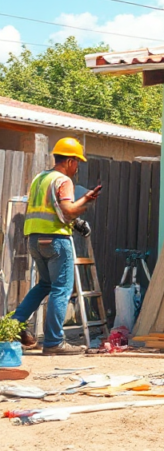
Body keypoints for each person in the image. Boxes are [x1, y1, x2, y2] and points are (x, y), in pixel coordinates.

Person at [14, 137, 100, 355]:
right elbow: (68, 211)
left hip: (34, 239)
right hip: (56, 241)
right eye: (77, 162)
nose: (77, 166)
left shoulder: (39, 178)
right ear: (70, 160)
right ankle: (53, 342)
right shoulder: (64, 181)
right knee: (60, 289)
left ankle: (15, 325)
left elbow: (53, 209)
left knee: (44, 285)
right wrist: (86, 202)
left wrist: (79, 209)